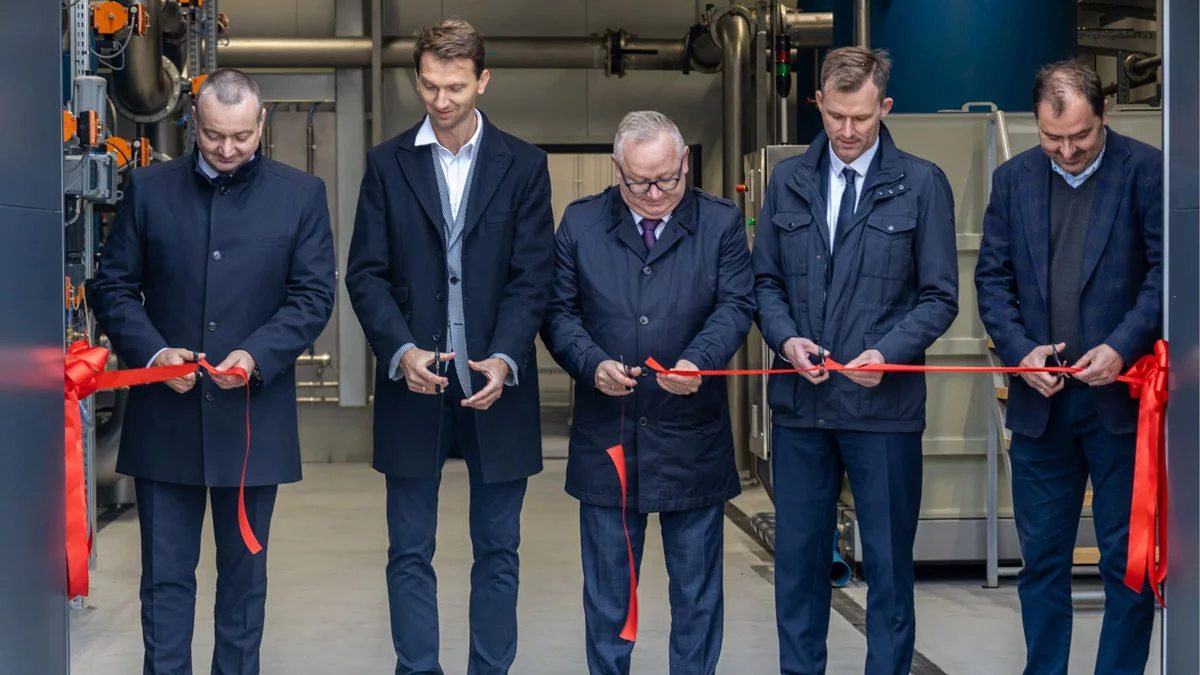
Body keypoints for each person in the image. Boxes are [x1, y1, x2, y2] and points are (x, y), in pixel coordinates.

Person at [89, 68, 337, 674]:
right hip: (165, 419)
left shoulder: (301, 195)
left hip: (252, 421)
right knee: (164, 581)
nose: (227, 149)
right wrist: (154, 354)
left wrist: (255, 355)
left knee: (244, 583)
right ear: (192, 122)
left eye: (242, 137)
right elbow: (112, 287)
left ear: (262, 124)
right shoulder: (149, 190)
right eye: (213, 135)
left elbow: (312, 297)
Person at [343, 18, 555, 675]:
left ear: (482, 80)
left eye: (456, 87)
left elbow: (533, 277)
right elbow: (366, 275)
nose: (441, 100)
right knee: (409, 548)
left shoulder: (524, 166)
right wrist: (400, 351)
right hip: (413, 386)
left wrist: (508, 356)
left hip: (497, 386)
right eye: (430, 86)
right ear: (418, 79)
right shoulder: (387, 165)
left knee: (498, 547)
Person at [750, 46, 959, 674]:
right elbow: (764, 283)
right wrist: (786, 340)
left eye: (861, 118)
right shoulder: (787, 181)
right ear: (818, 102)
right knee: (798, 567)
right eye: (835, 115)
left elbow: (940, 297)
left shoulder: (922, 184)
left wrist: (889, 352)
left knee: (890, 569)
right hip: (801, 408)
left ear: (885, 107)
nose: (846, 131)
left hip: (884, 410)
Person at [541, 110, 754, 674]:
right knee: (609, 600)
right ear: (617, 170)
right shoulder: (581, 224)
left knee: (697, 596)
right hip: (608, 440)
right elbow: (558, 313)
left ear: (684, 162)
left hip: (692, 437)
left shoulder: (720, 223)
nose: (655, 194)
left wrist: (700, 360)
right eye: (638, 184)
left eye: (667, 179)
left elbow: (736, 306)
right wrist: (591, 364)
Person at [974, 60, 1161, 674]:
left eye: (1080, 135)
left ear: (1104, 114)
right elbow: (992, 281)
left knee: (1126, 562)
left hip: (1122, 406)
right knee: (1042, 564)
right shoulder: (1013, 180)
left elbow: (1167, 276)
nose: (1068, 150)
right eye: (1052, 138)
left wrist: (1123, 345)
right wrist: (1018, 350)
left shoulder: (1146, 172)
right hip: (1041, 406)